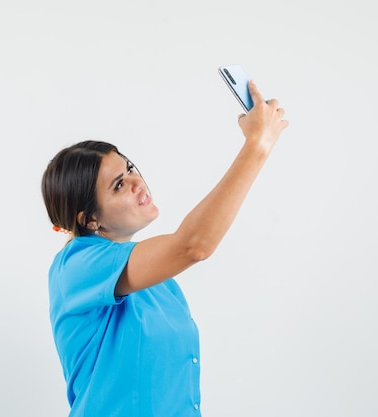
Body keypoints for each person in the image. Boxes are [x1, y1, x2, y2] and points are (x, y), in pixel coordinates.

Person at [41, 80, 288, 417]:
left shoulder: (161, 285)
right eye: (118, 186)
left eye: (129, 168)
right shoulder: (75, 266)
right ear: (91, 219)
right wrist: (257, 144)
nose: (136, 182)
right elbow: (193, 245)